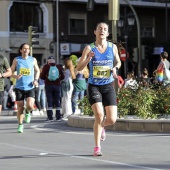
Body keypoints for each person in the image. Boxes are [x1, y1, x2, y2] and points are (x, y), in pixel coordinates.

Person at [76, 22, 121, 156]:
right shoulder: (89, 48)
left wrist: (115, 68)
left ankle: (102, 127)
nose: (102, 31)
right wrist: (88, 59)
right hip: (94, 85)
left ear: (108, 34)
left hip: (108, 85)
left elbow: (118, 61)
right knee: (99, 115)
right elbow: (79, 68)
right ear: (95, 32)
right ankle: (97, 147)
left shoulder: (112, 47)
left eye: (105, 29)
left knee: (112, 119)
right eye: (99, 29)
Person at [10, 43, 40, 133]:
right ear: (21, 50)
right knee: (20, 107)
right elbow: (10, 72)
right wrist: (15, 77)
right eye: (24, 48)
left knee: (30, 105)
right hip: (19, 87)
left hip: (30, 86)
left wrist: (36, 79)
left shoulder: (33, 60)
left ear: (29, 50)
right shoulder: (17, 60)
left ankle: (28, 111)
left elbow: (38, 70)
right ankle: (20, 125)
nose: (26, 50)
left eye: (27, 49)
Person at [40, 56, 64, 122]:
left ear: (48, 61)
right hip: (57, 85)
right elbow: (63, 76)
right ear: (54, 61)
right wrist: (57, 79)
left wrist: (47, 78)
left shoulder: (46, 66)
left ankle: (50, 117)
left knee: (49, 101)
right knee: (57, 101)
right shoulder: (58, 66)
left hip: (48, 85)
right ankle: (58, 117)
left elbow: (41, 76)